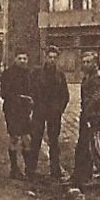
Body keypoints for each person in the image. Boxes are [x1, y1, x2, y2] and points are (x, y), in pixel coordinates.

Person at [28, 45, 70, 181]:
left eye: (54, 57)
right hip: (39, 111)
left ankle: (55, 169)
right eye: (49, 57)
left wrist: (59, 109)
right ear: (45, 58)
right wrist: (34, 105)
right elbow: (30, 90)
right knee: (35, 140)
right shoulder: (36, 73)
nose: (52, 60)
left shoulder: (59, 75)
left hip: (54, 112)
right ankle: (31, 169)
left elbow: (65, 95)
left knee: (54, 141)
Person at [70, 52, 100, 187]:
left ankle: (84, 176)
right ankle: (82, 175)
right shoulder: (88, 76)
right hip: (87, 113)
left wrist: (86, 113)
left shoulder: (97, 78)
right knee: (84, 145)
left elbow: (95, 98)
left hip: (93, 115)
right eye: (84, 62)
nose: (85, 64)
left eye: (88, 62)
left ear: (95, 63)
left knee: (88, 146)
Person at [0, 52, 36, 179]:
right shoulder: (8, 74)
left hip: (25, 111)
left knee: (27, 139)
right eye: (19, 58)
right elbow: (4, 93)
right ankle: (14, 168)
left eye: (24, 58)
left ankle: (29, 169)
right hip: (12, 110)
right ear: (15, 59)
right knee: (14, 137)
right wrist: (21, 97)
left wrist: (31, 101)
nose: (22, 61)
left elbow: (33, 91)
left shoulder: (29, 74)